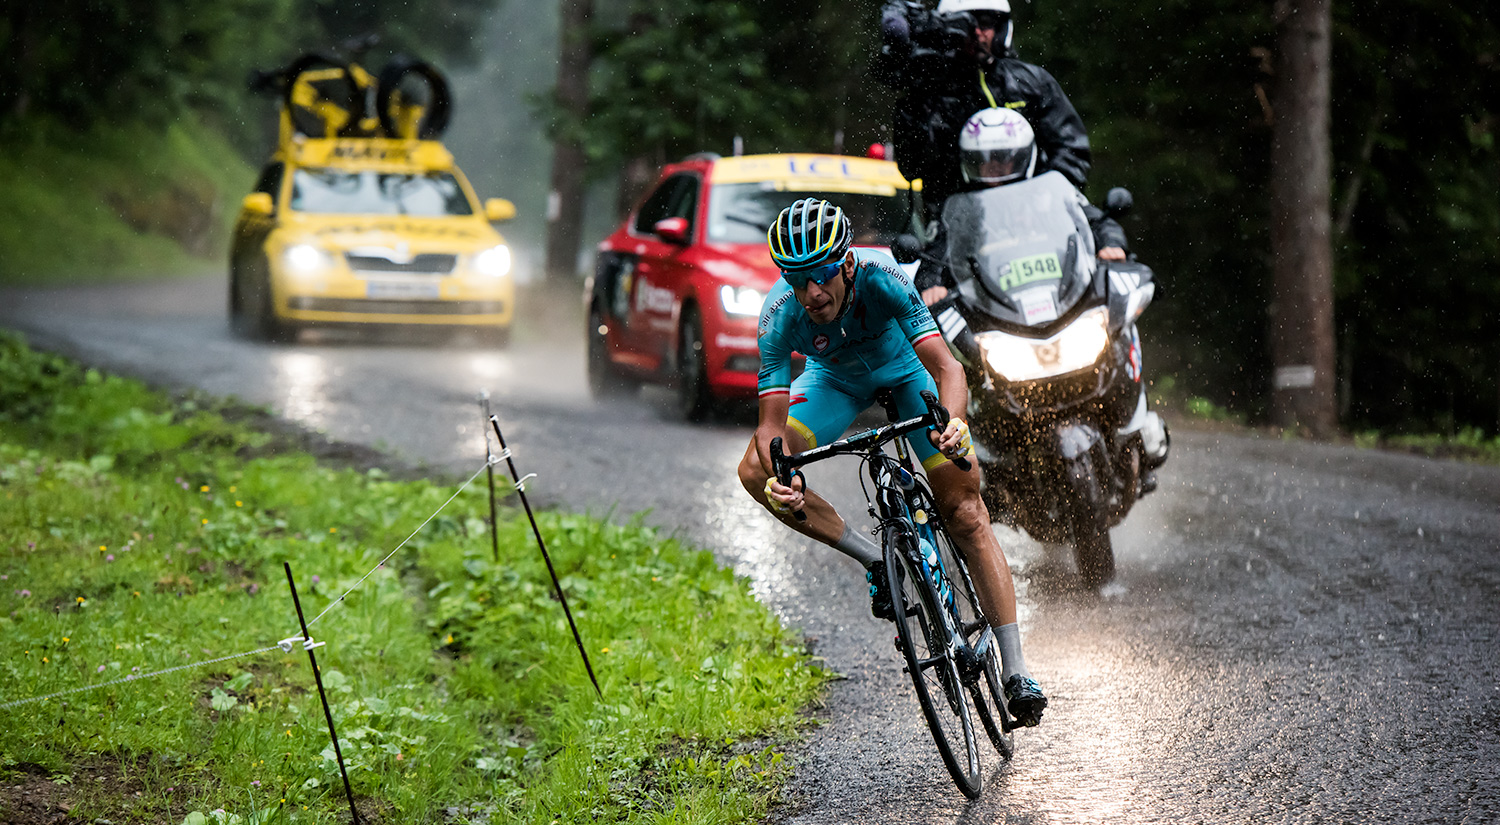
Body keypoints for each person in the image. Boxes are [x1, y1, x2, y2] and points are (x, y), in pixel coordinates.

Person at [736, 197, 1047, 727]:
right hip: (833, 383)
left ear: (848, 264)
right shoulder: (777, 317)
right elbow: (770, 429)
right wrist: (781, 478)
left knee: (967, 514)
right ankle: (876, 560)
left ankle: (1016, 670)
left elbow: (948, 368)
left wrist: (953, 423)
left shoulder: (884, 277)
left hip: (906, 375)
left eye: (823, 275)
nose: (812, 292)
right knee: (754, 470)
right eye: (797, 278)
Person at [874, 0, 1092, 218]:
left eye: (986, 23)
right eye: (966, 24)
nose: (978, 33)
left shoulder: (1032, 83)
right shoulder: (933, 89)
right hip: (958, 228)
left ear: (1001, 28)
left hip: (1033, 219)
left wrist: (1047, 200)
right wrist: (917, 96)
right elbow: (914, 168)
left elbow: (1071, 150)